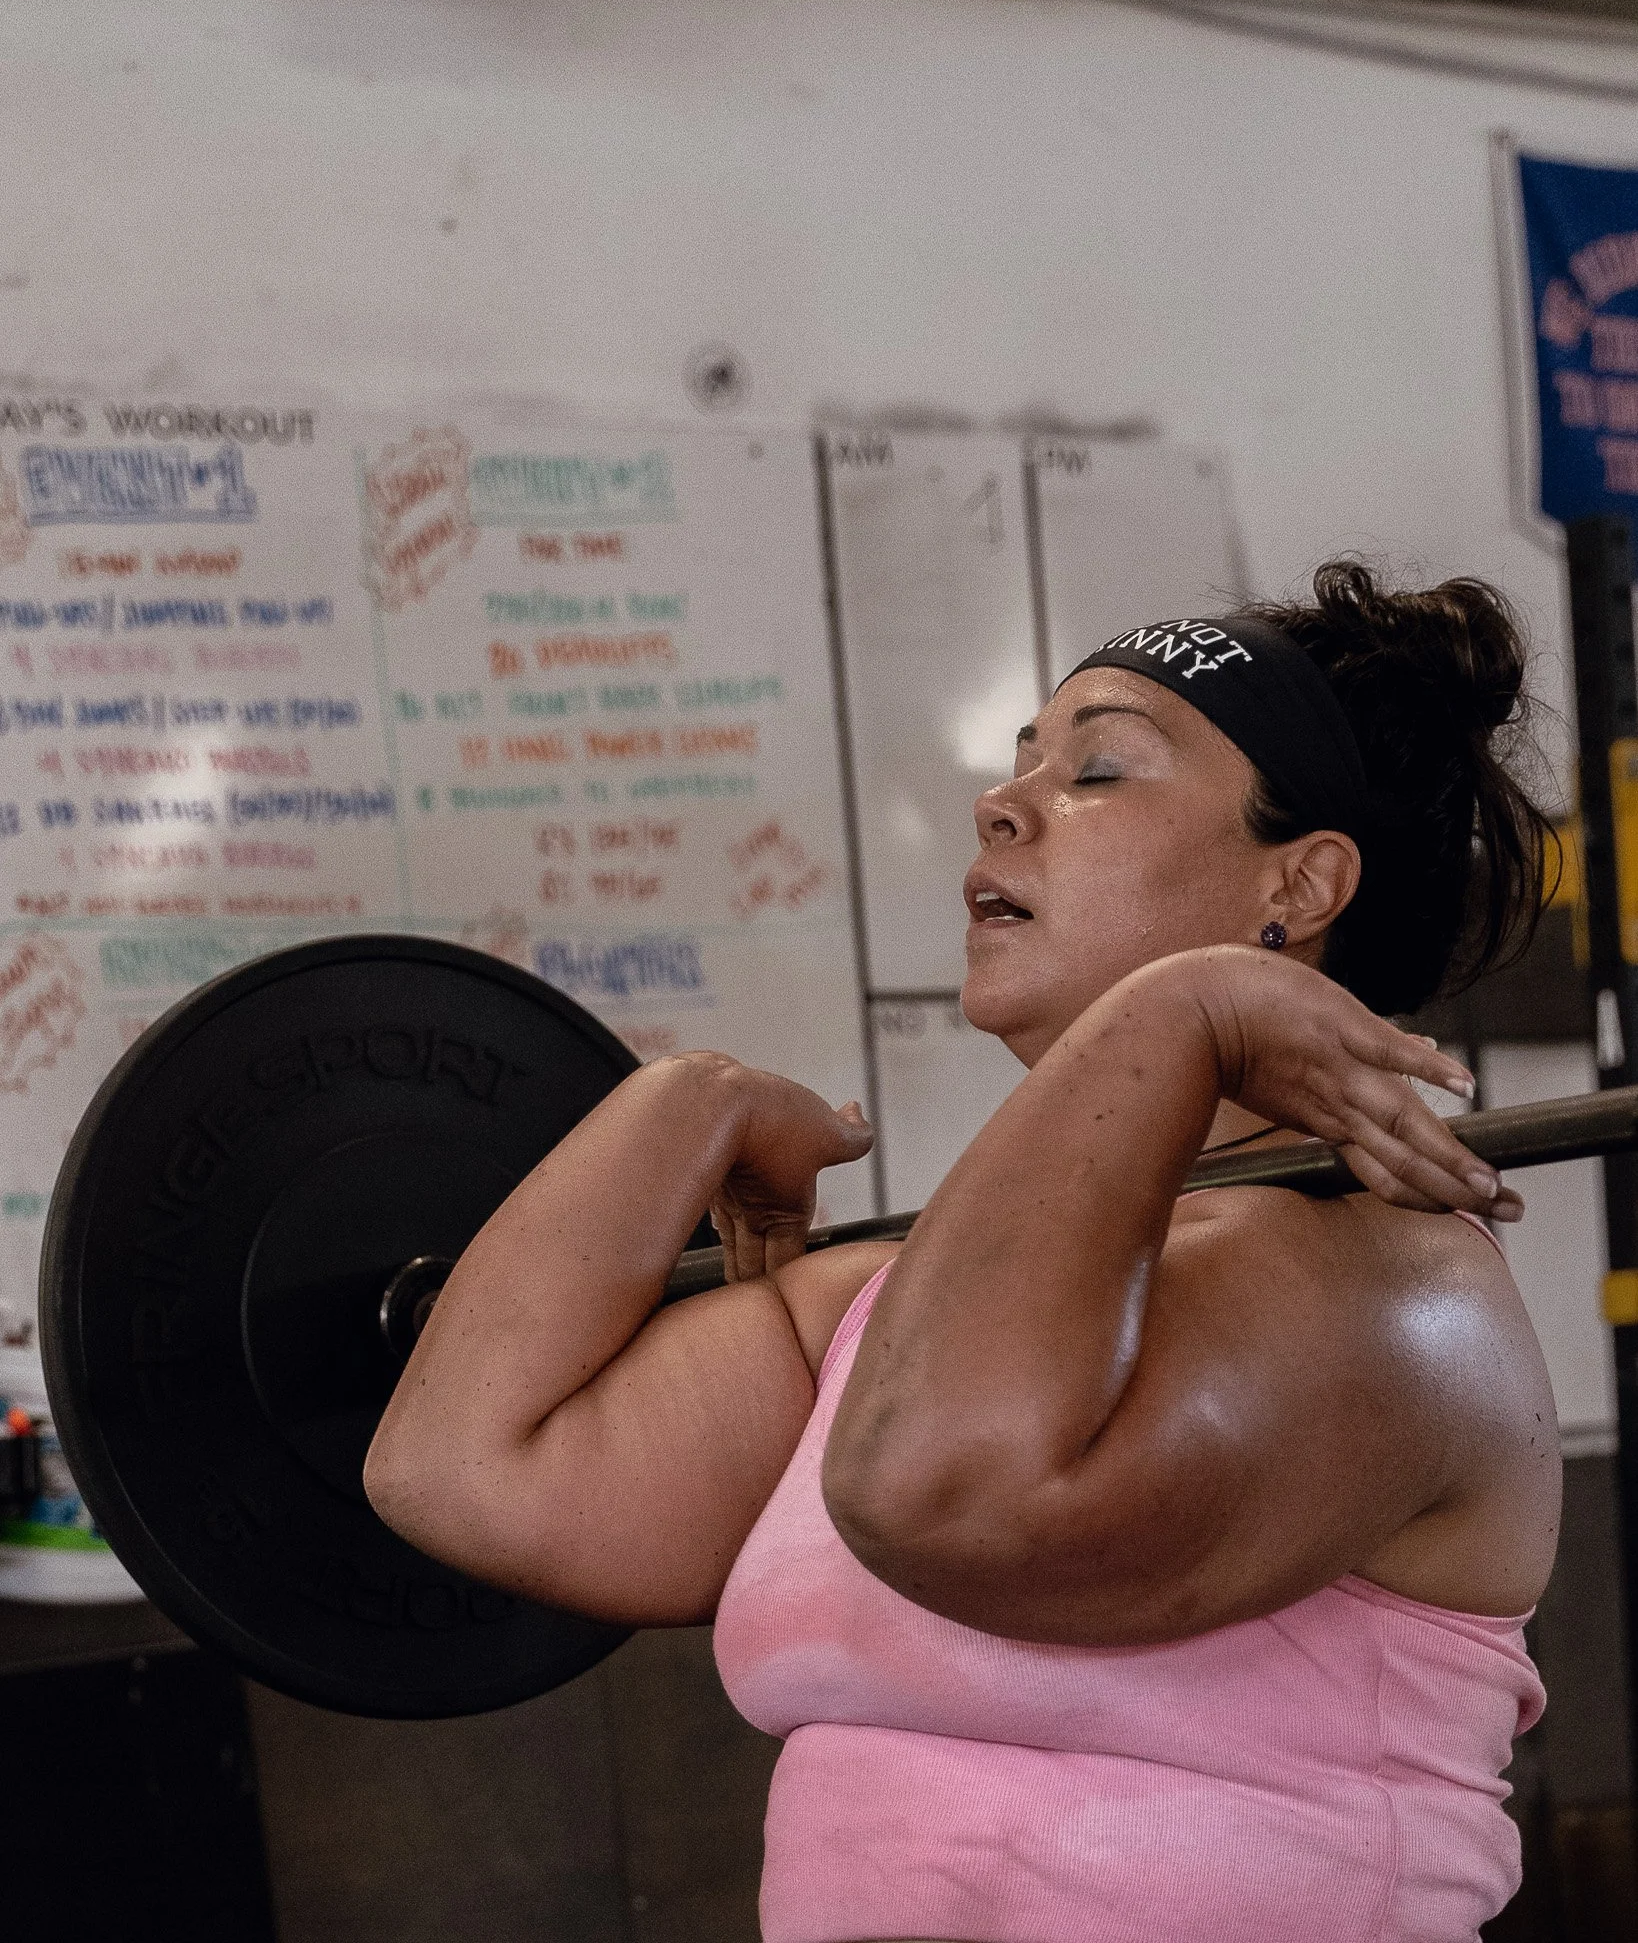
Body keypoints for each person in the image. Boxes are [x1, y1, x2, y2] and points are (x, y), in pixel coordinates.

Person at [366, 562, 1561, 1943]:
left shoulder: (1397, 1292)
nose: (1002, 803)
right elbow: (465, 1472)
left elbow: (948, 1494)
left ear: (1297, 881)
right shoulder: (898, 1304)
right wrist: (684, 1101)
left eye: (1098, 770)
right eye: (1020, 762)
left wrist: (1176, 1021)